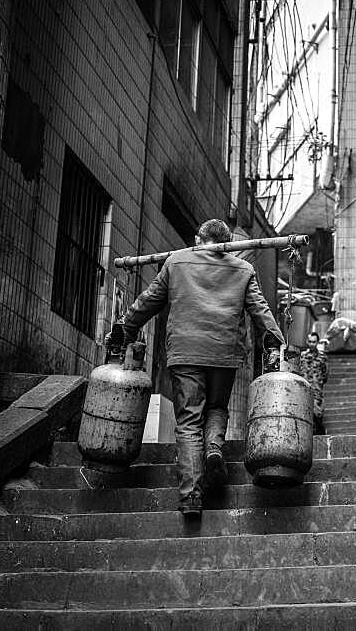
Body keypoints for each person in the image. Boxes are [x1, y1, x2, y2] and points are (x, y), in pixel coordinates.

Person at [113, 219, 285, 519]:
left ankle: (191, 496)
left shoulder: (176, 261)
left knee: (189, 421)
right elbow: (260, 310)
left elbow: (148, 301)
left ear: (197, 238)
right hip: (224, 354)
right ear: (229, 242)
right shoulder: (243, 269)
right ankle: (214, 449)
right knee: (217, 407)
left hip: (185, 352)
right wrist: (274, 342)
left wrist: (125, 330)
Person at [299, 331, 329, 435]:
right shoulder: (302, 356)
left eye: (314, 342)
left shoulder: (322, 357)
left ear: (317, 342)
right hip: (304, 391)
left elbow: (325, 374)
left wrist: (318, 382)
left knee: (318, 415)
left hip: (317, 391)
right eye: (310, 342)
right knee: (306, 414)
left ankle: (319, 436)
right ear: (307, 342)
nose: (312, 344)